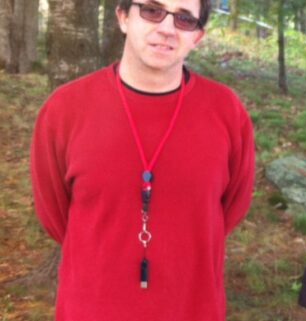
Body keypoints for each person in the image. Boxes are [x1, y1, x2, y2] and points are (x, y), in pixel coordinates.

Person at [29, 0, 255, 320]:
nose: (166, 28)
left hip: (192, 308)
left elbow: (231, 208)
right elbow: (54, 215)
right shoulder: (64, 109)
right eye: (151, 10)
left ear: (197, 36)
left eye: (184, 19)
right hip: (91, 309)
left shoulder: (227, 112)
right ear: (122, 17)